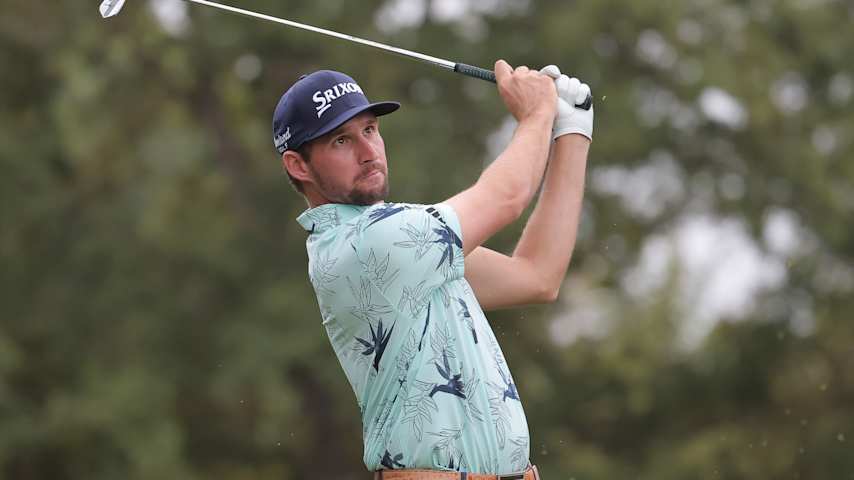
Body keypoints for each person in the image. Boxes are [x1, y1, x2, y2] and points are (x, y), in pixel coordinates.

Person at [272, 60, 593, 479]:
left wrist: (572, 131)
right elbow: (507, 197)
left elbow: (536, 276)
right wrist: (537, 114)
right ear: (299, 166)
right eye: (341, 141)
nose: (369, 152)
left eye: (370, 130)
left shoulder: (404, 244)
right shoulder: (370, 245)